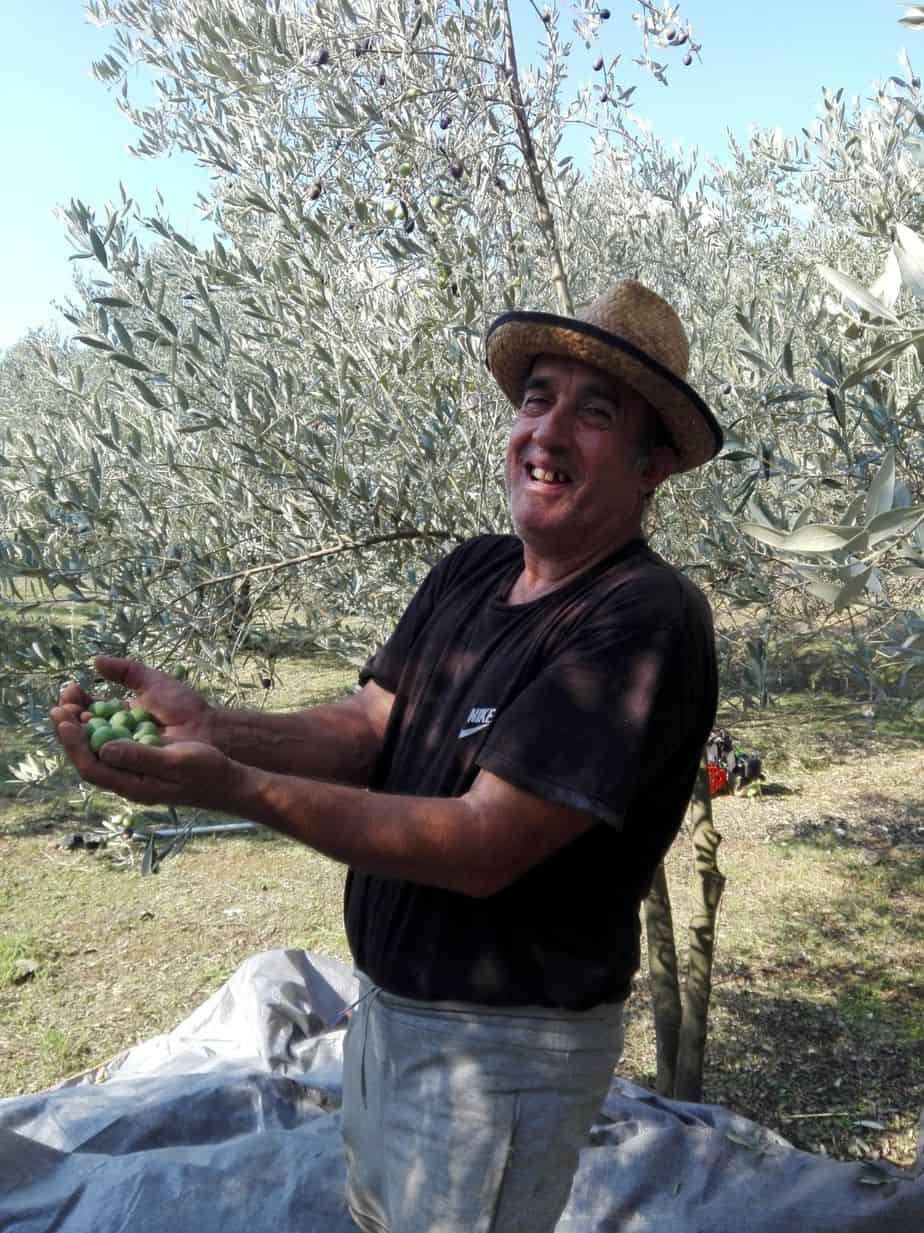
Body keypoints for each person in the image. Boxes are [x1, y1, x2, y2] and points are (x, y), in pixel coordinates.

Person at [51, 279, 723, 1233]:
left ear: (653, 464)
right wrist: (215, 726)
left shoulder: (642, 617)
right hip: (394, 1015)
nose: (549, 430)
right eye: (537, 397)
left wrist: (240, 789)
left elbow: (486, 842)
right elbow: (370, 726)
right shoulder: (473, 570)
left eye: (596, 412)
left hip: (499, 1056)